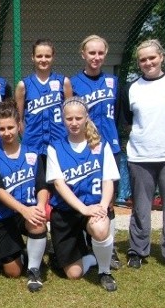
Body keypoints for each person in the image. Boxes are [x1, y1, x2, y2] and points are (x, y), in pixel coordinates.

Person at [120, 39, 165, 273]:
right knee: (140, 207)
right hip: (141, 157)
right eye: (143, 59)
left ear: (161, 57)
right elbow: (130, 123)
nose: (148, 62)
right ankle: (137, 251)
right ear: (138, 63)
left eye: (152, 57)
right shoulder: (131, 88)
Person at [46, 97, 120, 292]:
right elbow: (60, 186)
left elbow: (108, 180)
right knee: (74, 274)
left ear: (86, 117)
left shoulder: (100, 146)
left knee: (101, 227)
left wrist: (103, 206)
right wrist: (82, 208)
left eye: (78, 118)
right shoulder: (55, 147)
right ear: (63, 119)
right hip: (66, 211)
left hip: (93, 205)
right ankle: (91, 256)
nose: (74, 123)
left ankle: (104, 271)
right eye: (69, 118)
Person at [0, 100, 48, 292]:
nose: (7, 132)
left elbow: (42, 186)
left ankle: (34, 270)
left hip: (28, 211)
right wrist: (24, 210)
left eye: (11, 127)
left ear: (19, 125)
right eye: (2, 129)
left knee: (37, 221)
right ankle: (4, 252)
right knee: (12, 272)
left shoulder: (33, 153)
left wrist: (40, 206)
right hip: (4, 215)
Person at [70, 35, 122, 269]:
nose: (96, 57)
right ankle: (82, 244)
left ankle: (107, 248)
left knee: (108, 200)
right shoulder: (73, 83)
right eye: (92, 53)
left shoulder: (113, 81)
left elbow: (120, 114)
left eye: (101, 53)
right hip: (85, 147)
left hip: (109, 147)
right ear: (83, 54)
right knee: (82, 195)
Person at [15, 38, 73, 157]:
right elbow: (18, 119)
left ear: (53, 57)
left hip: (59, 142)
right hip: (33, 145)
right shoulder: (23, 85)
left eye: (47, 56)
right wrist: (28, 135)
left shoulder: (63, 82)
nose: (43, 60)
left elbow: (70, 114)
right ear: (33, 57)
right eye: (39, 56)